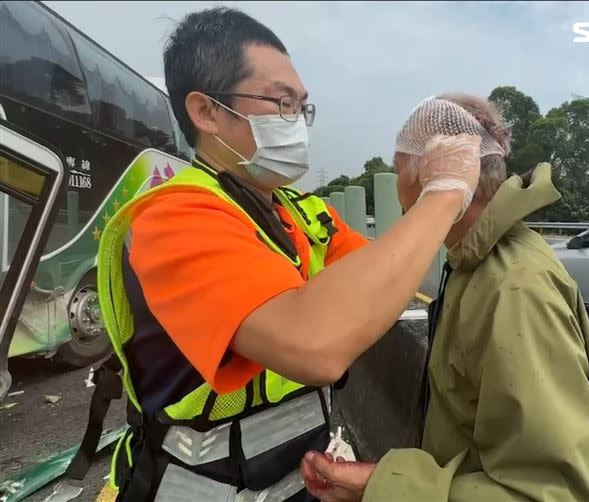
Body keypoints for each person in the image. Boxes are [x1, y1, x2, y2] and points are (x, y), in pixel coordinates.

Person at [67, 8, 483, 502]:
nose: (298, 124)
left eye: (303, 108)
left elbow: (381, 282)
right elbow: (316, 345)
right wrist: (446, 191)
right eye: (282, 103)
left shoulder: (304, 214)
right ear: (206, 111)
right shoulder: (174, 219)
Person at [300, 94, 589, 502]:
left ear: (431, 167)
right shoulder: (472, 260)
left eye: (397, 169)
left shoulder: (515, 288)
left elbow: (553, 495)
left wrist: (381, 487)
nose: (396, 190)